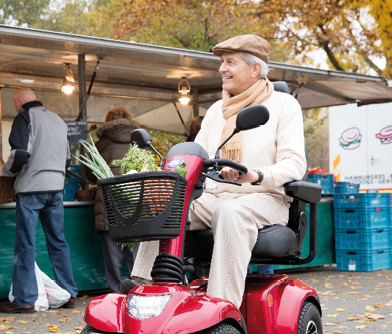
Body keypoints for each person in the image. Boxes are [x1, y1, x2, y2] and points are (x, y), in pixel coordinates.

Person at [128, 35, 306, 308]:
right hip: (217, 194)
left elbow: (295, 164)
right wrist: (161, 176)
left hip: (265, 197)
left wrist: (255, 175)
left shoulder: (284, 105)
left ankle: (222, 309)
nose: (222, 68)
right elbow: (195, 157)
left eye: (230, 62)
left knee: (229, 212)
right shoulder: (216, 111)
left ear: (254, 69)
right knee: (168, 203)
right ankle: (148, 289)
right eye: (222, 62)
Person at [0, 88, 78, 313]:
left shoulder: (24, 117)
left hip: (31, 189)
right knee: (58, 242)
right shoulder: (59, 120)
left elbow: (20, 154)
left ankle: (24, 299)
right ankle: (68, 293)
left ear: (18, 102)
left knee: (26, 244)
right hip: (56, 189)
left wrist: (4, 171)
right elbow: (67, 158)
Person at [83, 106, 140, 293]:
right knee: (136, 252)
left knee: (113, 253)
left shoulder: (100, 144)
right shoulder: (139, 141)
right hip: (135, 202)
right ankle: (139, 290)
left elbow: (90, 175)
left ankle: (116, 293)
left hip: (110, 203)